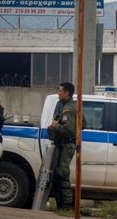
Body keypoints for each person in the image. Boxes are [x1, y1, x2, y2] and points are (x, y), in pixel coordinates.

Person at [49, 82, 77, 211]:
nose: (58, 93)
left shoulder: (68, 109)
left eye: (60, 91)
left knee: (62, 173)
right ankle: (61, 203)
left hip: (67, 144)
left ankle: (67, 204)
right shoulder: (65, 107)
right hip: (63, 144)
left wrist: (56, 126)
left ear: (67, 93)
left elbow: (69, 130)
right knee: (58, 174)